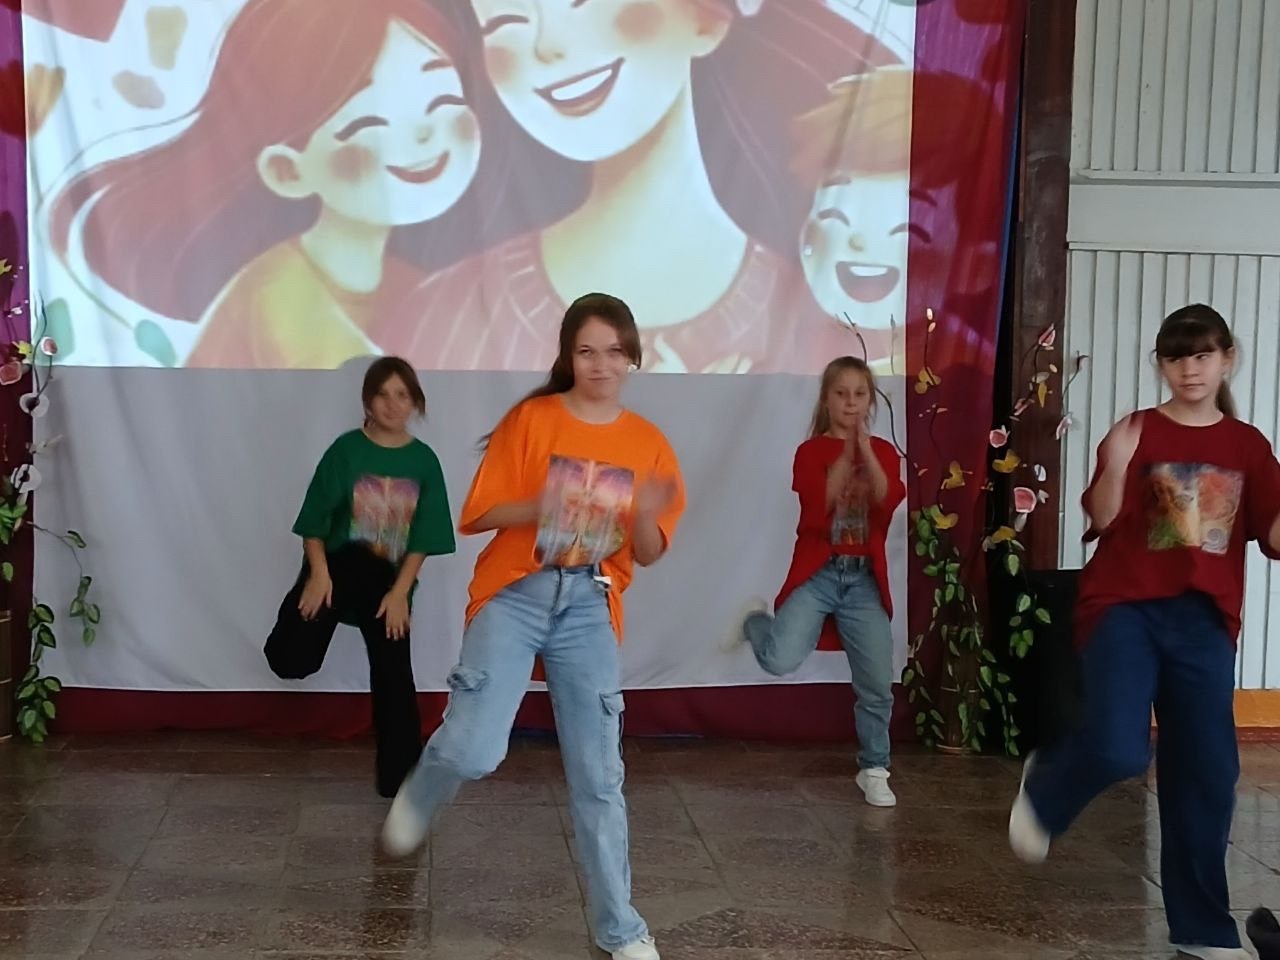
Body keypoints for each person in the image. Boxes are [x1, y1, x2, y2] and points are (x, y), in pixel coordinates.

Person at [381, 293, 684, 960]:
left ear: (632, 357)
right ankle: (424, 786)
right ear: (568, 356)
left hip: (590, 603)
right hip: (515, 594)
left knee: (599, 777)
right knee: (475, 751)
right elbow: (478, 514)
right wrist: (545, 502)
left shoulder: (648, 443)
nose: (600, 364)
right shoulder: (532, 419)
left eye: (613, 352)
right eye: (586, 351)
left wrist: (639, 511)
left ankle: (621, 928)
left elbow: (650, 550)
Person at [1008, 305, 1280, 960]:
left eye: (1204, 354)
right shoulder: (1136, 430)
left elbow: (1272, 532)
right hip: (1124, 608)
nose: (1191, 368)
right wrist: (1116, 464)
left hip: (1204, 622)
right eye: (1177, 357)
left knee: (1207, 771)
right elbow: (1102, 517)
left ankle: (1202, 930)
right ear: (1161, 364)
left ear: (1227, 359)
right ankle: (1047, 788)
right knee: (1118, 748)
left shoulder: (1248, 446)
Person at [48, 0, 481, 369]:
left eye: (443, 99)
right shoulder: (277, 295)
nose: (424, 134)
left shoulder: (412, 285)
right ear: (287, 171)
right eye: (371, 123)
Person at [265, 357, 455, 797]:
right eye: (383, 394)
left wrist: (401, 593)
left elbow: (423, 539)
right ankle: (300, 621)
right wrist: (318, 575)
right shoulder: (346, 451)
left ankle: (401, 781)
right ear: (368, 400)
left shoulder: (424, 462)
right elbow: (314, 523)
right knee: (290, 661)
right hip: (336, 568)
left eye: (402, 395)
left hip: (387, 582)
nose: (392, 404)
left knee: (394, 672)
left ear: (415, 402)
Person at [735, 356, 905, 805]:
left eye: (860, 394)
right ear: (826, 399)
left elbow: (888, 500)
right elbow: (816, 509)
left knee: (876, 682)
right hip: (820, 573)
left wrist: (865, 453)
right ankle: (755, 622)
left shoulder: (884, 453)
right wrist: (844, 459)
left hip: (863, 580)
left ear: (870, 400)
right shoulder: (809, 452)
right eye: (841, 394)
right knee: (778, 660)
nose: (851, 403)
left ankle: (874, 767)